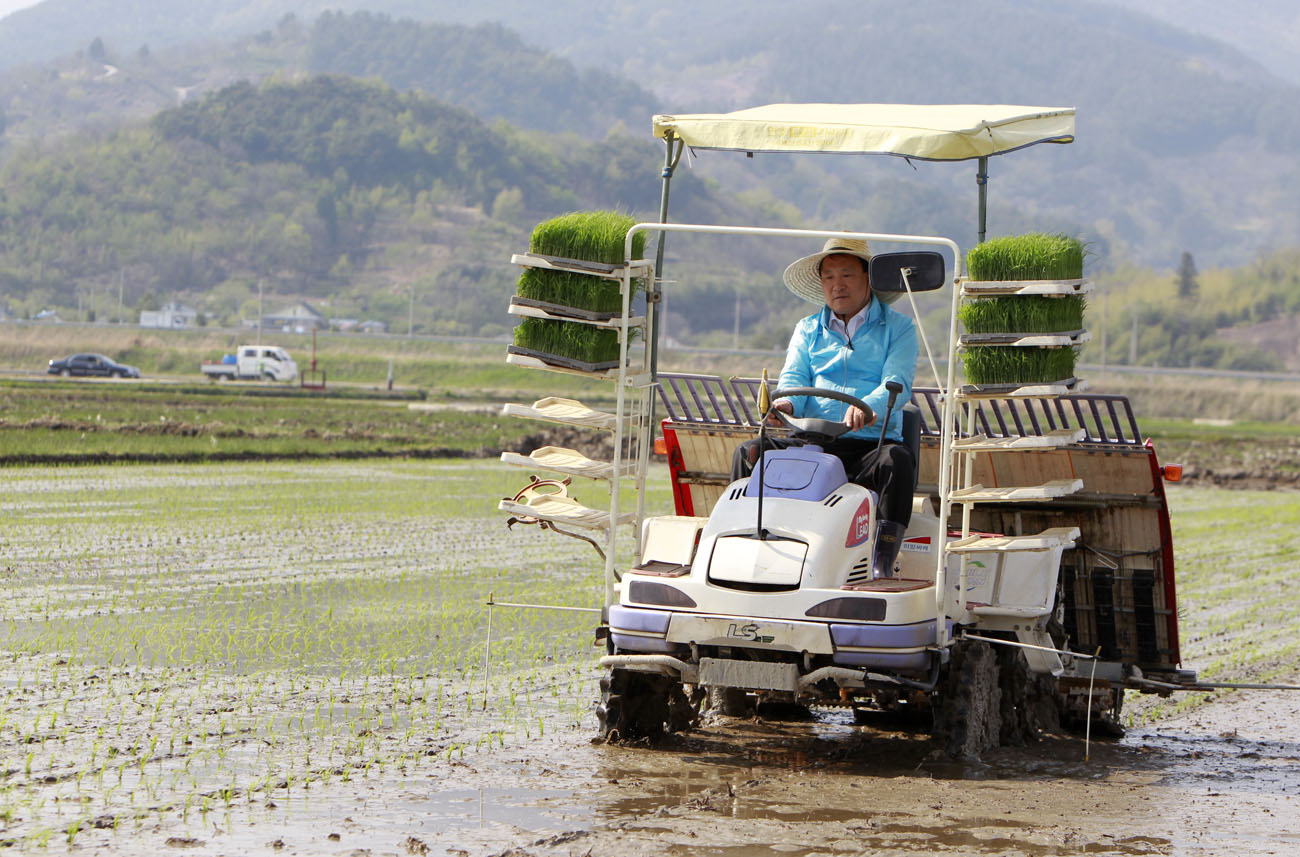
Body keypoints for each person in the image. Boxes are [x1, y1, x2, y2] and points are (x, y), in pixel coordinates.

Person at [730, 237, 918, 577]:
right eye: (829, 277)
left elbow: (898, 382)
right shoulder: (806, 329)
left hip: (867, 444)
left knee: (897, 461)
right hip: (811, 443)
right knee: (749, 453)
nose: (837, 285)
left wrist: (868, 407)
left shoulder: (899, 328)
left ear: (868, 279)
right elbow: (794, 377)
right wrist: (785, 403)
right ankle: (744, 544)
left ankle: (882, 559)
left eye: (846, 274)